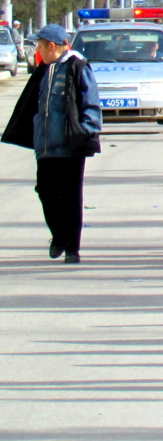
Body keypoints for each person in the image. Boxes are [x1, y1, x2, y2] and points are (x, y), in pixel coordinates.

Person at [2, 23, 101, 263]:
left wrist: (86, 131)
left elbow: (91, 102)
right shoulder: (44, 69)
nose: (37, 50)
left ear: (52, 46)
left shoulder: (77, 67)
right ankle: (59, 236)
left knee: (70, 196)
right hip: (45, 145)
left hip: (70, 145)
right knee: (46, 192)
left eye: (39, 45)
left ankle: (71, 249)